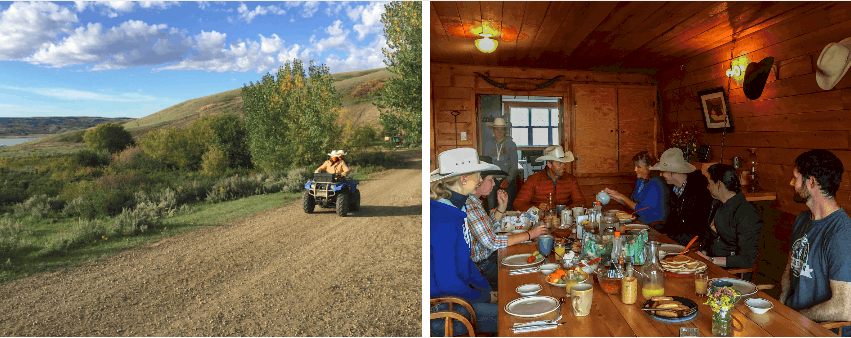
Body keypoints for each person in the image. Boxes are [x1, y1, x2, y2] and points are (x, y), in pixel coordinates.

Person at [779, 149, 851, 336]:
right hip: (791, 321)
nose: (791, 183)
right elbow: (790, 268)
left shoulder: (841, 233)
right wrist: (781, 307)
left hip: (818, 331)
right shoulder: (802, 219)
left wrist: (796, 317)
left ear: (811, 182)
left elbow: (844, 308)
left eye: (795, 178)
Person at [430, 148, 498, 336]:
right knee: (514, 318)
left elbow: (466, 263)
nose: (480, 180)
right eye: (478, 175)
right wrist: (485, 296)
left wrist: (488, 291)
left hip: (453, 298)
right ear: (463, 179)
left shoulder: (453, 210)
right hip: (441, 311)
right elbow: (448, 284)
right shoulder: (442, 219)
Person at [465, 172, 547, 291]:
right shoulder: (471, 206)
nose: (494, 184)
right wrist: (530, 234)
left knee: (526, 260)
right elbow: (492, 242)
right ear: (479, 180)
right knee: (530, 273)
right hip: (483, 267)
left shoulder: (475, 203)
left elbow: (489, 230)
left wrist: (501, 208)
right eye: (491, 179)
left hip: (487, 260)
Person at [696, 164, 764, 278]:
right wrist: (704, 252)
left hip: (732, 274)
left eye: (709, 182)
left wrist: (712, 260)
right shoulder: (717, 204)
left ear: (719, 184)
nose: (707, 187)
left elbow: (747, 259)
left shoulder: (747, 213)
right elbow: (709, 236)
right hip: (711, 266)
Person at [650, 147, 714, 246]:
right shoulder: (673, 189)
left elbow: (698, 229)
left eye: (663, 171)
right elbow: (673, 221)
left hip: (691, 244)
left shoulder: (699, 190)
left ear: (673, 172)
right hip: (676, 240)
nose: (661, 175)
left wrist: (668, 238)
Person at [513, 145, 586, 212]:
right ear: (549, 164)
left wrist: (569, 208)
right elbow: (517, 204)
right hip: (540, 222)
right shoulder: (533, 180)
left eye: (564, 163)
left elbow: (580, 201)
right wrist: (537, 207)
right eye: (559, 164)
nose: (563, 166)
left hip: (564, 221)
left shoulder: (571, 179)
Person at [603, 151, 669, 225]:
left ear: (650, 167)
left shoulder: (657, 182)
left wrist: (622, 196)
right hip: (640, 220)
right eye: (635, 166)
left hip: (653, 225)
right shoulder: (641, 180)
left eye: (639, 167)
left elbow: (641, 210)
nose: (635, 170)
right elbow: (631, 203)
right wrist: (614, 196)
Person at [481, 117, 519, 211]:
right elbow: (485, 164)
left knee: (507, 207)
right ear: (493, 130)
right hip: (491, 180)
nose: (499, 131)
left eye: (501, 129)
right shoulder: (487, 144)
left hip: (507, 181)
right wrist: (486, 181)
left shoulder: (511, 144)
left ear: (505, 130)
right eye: (496, 129)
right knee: (491, 207)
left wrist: (508, 179)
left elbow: (514, 165)